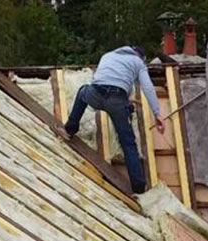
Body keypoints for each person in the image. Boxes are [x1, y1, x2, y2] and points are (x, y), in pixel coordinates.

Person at [54, 45, 165, 194]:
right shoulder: (138, 63)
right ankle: (139, 187)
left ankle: (70, 129)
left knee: (82, 92)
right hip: (117, 101)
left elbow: (98, 80)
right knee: (128, 143)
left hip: (96, 93)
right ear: (141, 57)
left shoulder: (107, 56)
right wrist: (157, 113)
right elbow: (148, 87)